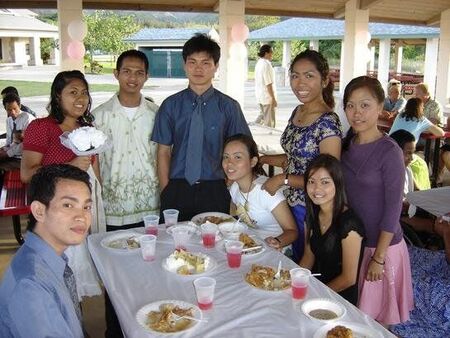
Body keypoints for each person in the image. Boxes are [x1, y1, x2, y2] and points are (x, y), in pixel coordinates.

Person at [21, 70, 103, 300]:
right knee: (54, 283)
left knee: (76, 282)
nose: (80, 98)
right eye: (72, 92)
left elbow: (94, 172)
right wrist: (71, 164)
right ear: (58, 96)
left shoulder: (87, 129)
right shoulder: (41, 127)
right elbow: (27, 173)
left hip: (82, 215)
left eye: (84, 93)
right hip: (52, 219)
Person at [152, 33, 251, 222]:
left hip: (214, 188)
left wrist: (227, 183)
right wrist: (166, 189)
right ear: (184, 65)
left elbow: (242, 149)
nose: (198, 69)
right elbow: (163, 151)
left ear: (216, 67)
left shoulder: (229, 107)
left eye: (206, 63)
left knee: (213, 244)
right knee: (172, 242)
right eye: (192, 62)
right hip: (177, 187)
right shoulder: (170, 105)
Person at [341, 76, 413, 326]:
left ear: (381, 107)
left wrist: (379, 257)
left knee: (381, 319)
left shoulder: (389, 151)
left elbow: (393, 209)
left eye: (365, 105)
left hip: (383, 247)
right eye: (350, 105)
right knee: (358, 315)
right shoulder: (345, 146)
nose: (356, 112)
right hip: (355, 243)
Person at [259, 49, 342, 261]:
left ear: (324, 80)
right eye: (295, 76)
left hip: (311, 210)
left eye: (309, 76)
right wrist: (261, 159)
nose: (300, 83)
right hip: (289, 205)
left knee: (304, 268)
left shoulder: (327, 123)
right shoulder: (298, 111)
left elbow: (328, 178)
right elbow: (293, 158)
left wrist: (281, 179)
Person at [0, 164, 92, 338]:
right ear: (39, 211)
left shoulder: (48, 259)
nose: (82, 216)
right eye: (68, 205)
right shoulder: (31, 287)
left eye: (86, 207)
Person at [93, 49, 159, 231]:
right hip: (112, 207)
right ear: (116, 74)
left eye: (139, 73)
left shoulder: (157, 115)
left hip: (151, 205)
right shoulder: (98, 117)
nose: (133, 78)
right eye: (127, 71)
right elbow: (94, 162)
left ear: (147, 76)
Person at [299, 154, 364, 305]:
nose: (317, 189)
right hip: (313, 290)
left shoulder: (349, 223)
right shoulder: (311, 215)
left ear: (338, 184)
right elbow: (308, 257)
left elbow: (348, 278)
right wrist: (294, 283)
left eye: (325, 182)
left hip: (338, 299)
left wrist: (317, 296)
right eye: (311, 181)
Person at [222, 133, 298, 250]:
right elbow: (234, 213)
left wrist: (277, 241)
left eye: (237, 157)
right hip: (249, 247)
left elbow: (292, 231)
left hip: (276, 252)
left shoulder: (266, 192)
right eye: (226, 157)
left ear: (253, 162)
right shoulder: (234, 187)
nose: (229, 163)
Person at [391, 216, 450, 338]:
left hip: (444, 300)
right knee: (402, 254)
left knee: (400, 278)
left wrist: (446, 232)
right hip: (444, 268)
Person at [1, 93, 35, 162]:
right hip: (14, 154)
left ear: (19, 106)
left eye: (14, 108)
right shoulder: (9, 120)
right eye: (9, 110)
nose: (13, 112)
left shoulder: (27, 118)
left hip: (25, 156)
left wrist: (7, 153)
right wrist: (4, 149)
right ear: (5, 109)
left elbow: (26, 143)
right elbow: (9, 142)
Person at [254, 44, 277, 127]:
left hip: (260, 96)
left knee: (262, 116)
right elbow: (268, 83)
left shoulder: (258, 63)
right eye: (271, 52)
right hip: (267, 97)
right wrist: (273, 98)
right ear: (266, 53)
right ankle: (269, 137)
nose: (272, 54)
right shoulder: (266, 65)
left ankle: (251, 128)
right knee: (269, 122)